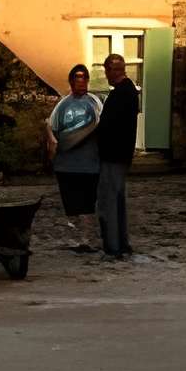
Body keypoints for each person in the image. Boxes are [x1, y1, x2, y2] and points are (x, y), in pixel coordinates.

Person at [46, 63, 103, 253]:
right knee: (70, 203)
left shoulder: (95, 102)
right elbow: (51, 128)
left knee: (88, 202)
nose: (81, 81)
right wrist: (53, 151)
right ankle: (76, 239)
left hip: (90, 164)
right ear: (71, 81)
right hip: (66, 165)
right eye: (77, 78)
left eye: (84, 77)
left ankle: (87, 239)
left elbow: (103, 126)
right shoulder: (62, 104)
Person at [93, 50, 143, 260]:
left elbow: (110, 126)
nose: (106, 75)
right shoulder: (128, 91)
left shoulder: (121, 93)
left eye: (107, 70)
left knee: (109, 201)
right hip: (120, 154)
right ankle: (120, 243)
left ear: (112, 70)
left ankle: (114, 246)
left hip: (113, 154)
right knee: (117, 199)